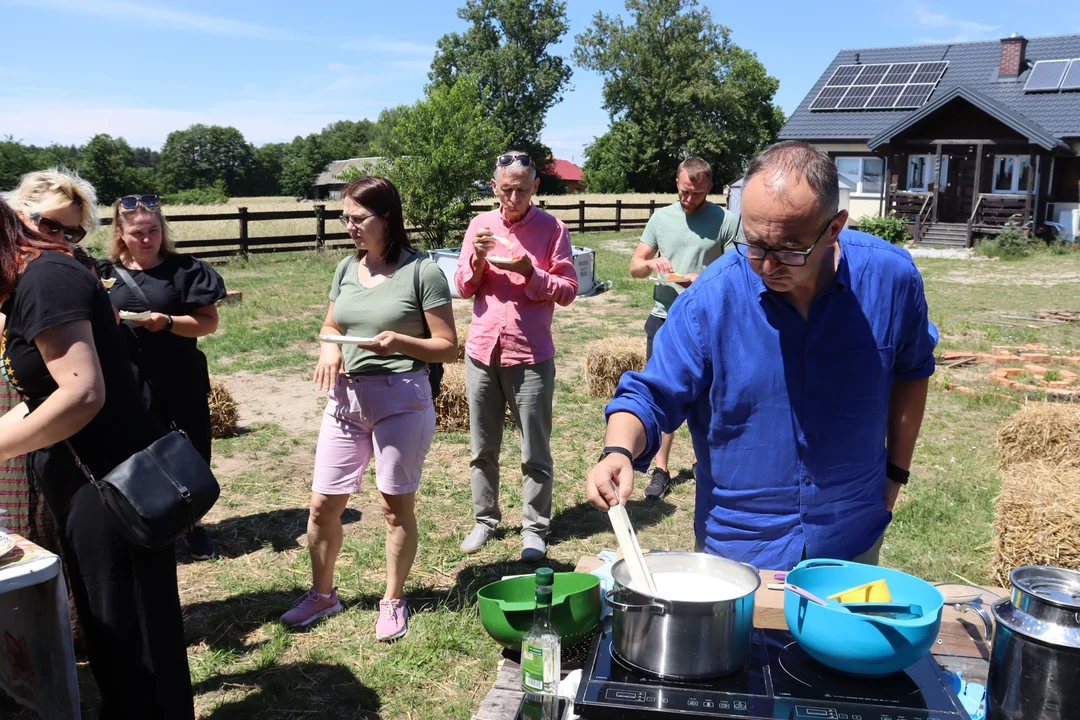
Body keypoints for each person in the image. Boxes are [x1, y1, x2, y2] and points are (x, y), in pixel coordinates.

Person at [585, 141, 936, 570]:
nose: (768, 266)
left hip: (851, 532)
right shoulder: (710, 300)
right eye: (754, 244)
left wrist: (895, 475)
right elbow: (650, 396)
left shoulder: (891, 280)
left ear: (834, 227)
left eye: (789, 248)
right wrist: (617, 450)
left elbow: (912, 372)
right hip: (739, 544)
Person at [0, 199, 194, 718]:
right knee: (110, 620)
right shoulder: (32, 281)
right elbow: (42, 400)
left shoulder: (47, 281)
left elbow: (81, 395)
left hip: (112, 479)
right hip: (85, 475)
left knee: (133, 625)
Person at [281, 177, 456, 640]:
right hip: (346, 400)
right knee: (322, 506)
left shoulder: (424, 272)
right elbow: (330, 324)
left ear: (388, 218)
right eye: (346, 219)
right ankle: (323, 596)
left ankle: (393, 599)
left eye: (359, 219)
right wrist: (329, 350)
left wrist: (402, 341)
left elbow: (447, 347)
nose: (350, 227)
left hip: (402, 397)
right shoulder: (345, 267)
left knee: (395, 508)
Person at [455, 151, 578, 562]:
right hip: (482, 350)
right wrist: (475, 258)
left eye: (522, 190)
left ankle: (534, 528)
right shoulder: (480, 226)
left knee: (534, 449)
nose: (513, 197)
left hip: (530, 354)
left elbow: (569, 290)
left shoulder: (552, 229)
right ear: (494, 187)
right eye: (506, 189)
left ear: (535, 188)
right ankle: (485, 519)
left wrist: (531, 273)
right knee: (482, 446)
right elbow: (462, 286)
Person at [97, 194, 226, 561]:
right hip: (126, 380)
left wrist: (165, 321)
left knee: (189, 450)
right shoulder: (102, 274)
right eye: (138, 232)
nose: (147, 239)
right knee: (131, 452)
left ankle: (192, 524)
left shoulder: (186, 270)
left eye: (154, 230)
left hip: (178, 376)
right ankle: (144, 522)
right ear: (120, 232)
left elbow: (208, 322)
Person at [2, 168, 100, 641]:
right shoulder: (22, 278)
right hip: (20, 417)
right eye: (49, 224)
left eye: (72, 231)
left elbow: (78, 389)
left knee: (47, 525)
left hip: (39, 422)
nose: (60, 238)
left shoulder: (52, 278)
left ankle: (62, 628)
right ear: (17, 215)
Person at [628, 157, 741, 501]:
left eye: (695, 192)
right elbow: (635, 267)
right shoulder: (661, 218)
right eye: (682, 190)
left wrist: (704, 278)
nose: (687, 198)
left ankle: (700, 463)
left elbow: (740, 269)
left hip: (710, 319)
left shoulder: (727, 221)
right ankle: (660, 470)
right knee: (664, 395)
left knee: (709, 396)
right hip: (664, 317)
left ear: (710, 187)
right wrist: (651, 264)